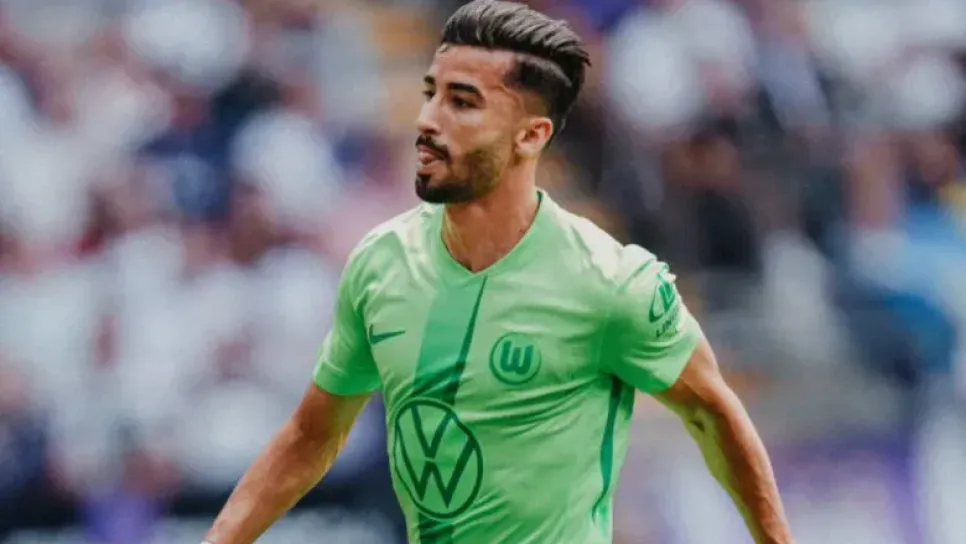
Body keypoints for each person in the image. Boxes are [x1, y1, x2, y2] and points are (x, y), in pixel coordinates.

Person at [202, 1, 794, 543]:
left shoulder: (610, 279)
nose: (431, 120)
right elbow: (311, 437)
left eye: (463, 103)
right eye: (432, 94)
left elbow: (716, 416)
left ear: (529, 136)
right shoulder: (381, 266)